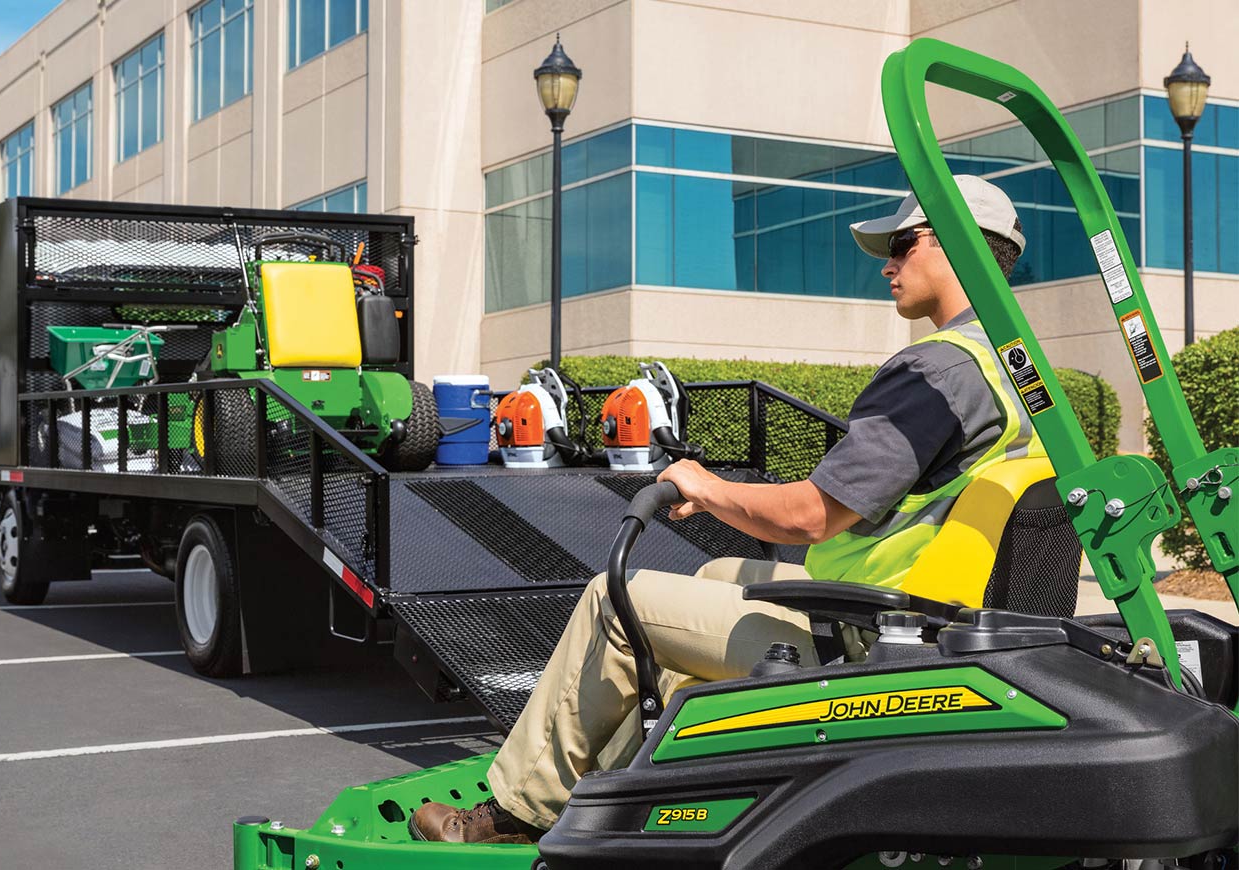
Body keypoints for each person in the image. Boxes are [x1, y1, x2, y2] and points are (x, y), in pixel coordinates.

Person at [409, 174, 1042, 845]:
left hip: (881, 639)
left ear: (957, 246)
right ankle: (618, 792)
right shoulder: (1017, 365)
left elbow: (811, 517)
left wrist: (707, 487)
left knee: (610, 597)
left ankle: (521, 811)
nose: (887, 262)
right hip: (941, 615)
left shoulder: (937, 373)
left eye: (904, 243)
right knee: (717, 579)